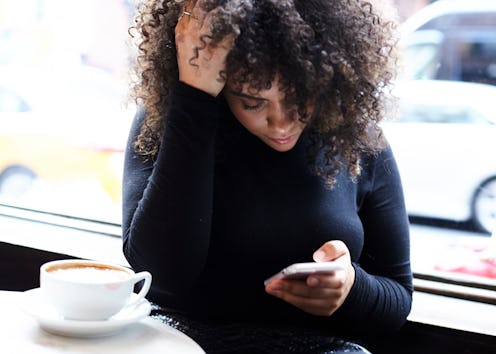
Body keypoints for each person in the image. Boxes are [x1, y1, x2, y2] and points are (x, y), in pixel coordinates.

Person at [122, 0, 413, 352]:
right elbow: (162, 272)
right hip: (182, 342)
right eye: (252, 102)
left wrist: (353, 290)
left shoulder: (356, 140)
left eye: (299, 95)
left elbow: (398, 297)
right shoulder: (171, 122)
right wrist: (195, 98)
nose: (281, 122)